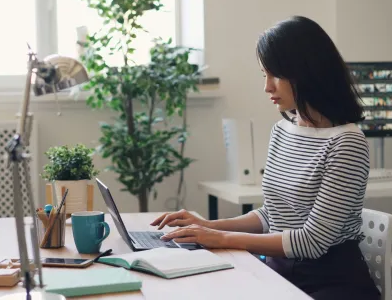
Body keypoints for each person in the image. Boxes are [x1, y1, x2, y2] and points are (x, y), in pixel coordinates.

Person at [151, 15, 380, 300]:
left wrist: (219, 239)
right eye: (264, 75)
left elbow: (312, 242)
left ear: (308, 72)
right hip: (279, 272)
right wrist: (207, 226)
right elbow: (273, 214)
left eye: (276, 75)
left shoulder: (347, 142)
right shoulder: (283, 131)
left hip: (330, 283)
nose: (267, 87)